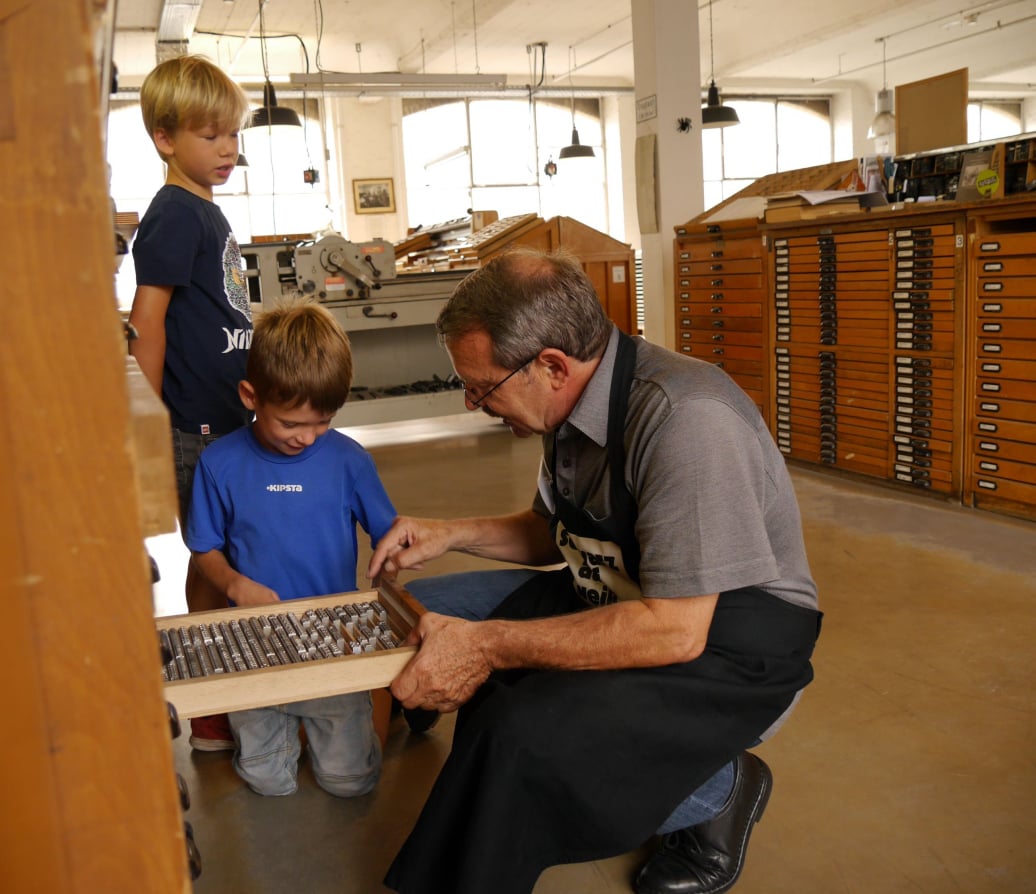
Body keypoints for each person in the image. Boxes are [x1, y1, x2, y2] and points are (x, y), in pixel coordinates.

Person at [367, 249, 822, 894]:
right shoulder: (570, 405)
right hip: (624, 589)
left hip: (728, 637)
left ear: (552, 366)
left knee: (519, 729)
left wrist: (488, 648)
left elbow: (674, 633)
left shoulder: (686, 419)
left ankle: (720, 791)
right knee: (432, 612)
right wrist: (451, 534)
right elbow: (558, 533)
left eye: (482, 386)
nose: (472, 403)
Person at [186, 299, 396, 798]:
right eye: (290, 424)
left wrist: (394, 554)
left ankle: (372, 717)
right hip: (253, 640)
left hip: (331, 637)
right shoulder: (219, 464)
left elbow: (388, 534)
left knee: (350, 783)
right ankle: (286, 728)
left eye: (321, 423)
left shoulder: (350, 460)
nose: (306, 438)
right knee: (267, 781)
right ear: (250, 395)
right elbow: (204, 550)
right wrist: (235, 584)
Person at [128, 54, 253, 752]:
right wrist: (148, 427)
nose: (228, 148)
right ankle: (210, 705)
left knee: (227, 552)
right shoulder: (175, 213)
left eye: (233, 134)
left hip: (227, 420)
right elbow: (147, 322)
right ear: (165, 139)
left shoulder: (202, 208)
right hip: (196, 428)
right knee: (213, 558)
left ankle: (220, 682)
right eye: (211, 136)